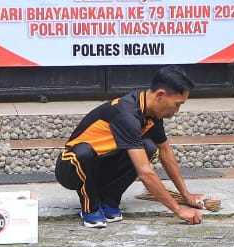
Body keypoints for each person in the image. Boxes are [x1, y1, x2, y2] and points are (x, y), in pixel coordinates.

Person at [56, 65, 206, 229]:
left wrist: (186, 195)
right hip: (71, 167)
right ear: (160, 95)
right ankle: (90, 207)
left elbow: (165, 152)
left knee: (149, 148)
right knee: (83, 153)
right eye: (177, 104)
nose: (177, 111)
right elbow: (145, 172)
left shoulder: (151, 114)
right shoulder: (126, 114)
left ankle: (108, 201)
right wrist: (179, 210)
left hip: (102, 167)